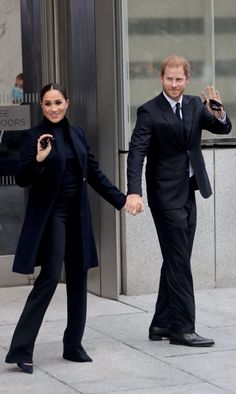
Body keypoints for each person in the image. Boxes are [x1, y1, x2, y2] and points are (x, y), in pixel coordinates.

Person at [5, 83, 127, 374]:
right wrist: (38, 159)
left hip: (78, 215)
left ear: (67, 103)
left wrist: (122, 201)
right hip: (52, 216)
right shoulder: (33, 137)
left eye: (57, 102)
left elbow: (95, 174)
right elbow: (21, 177)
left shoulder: (77, 134)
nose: (53, 108)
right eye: (47, 104)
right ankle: (21, 350)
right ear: (42, 107)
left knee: (78, 276)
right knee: (49, 277)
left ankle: (73, 345)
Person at [125, 55, 232, 347]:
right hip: (163, 196)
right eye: (169, 79)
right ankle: (183, 329)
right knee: (179, 262)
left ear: (187, 80)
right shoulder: (148, 111)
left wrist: (220, 112)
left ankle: (160, 324)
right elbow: (136, 153)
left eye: (179, 79)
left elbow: (223, 129)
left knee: (176, 258)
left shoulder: (196, 105)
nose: (174, 84)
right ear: (162, 78)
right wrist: (133, 191)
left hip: (189, 191)